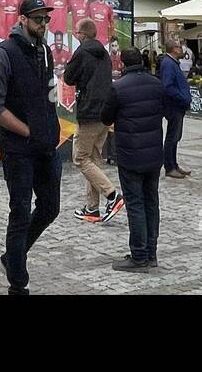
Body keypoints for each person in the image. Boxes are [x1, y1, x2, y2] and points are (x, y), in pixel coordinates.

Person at [0, 0, 62, 295]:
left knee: (50, 207)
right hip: (18, 149)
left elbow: (47, 93)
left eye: (46, 19)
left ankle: (10, 258)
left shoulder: (43, 50)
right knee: (19, 210)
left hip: (46, 145)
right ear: (23, 20)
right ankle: (18, 282)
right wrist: (27, 130)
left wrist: (49, 125)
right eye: (38, 19)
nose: (44, 24)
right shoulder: (4, 54)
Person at [101, 46, 165, 271]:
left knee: (136, 204)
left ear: (122, 63)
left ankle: (139, 255)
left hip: (130, 154)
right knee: (151, 202)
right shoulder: (156, 84)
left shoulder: (118, 88)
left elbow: (105, 117)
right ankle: (151, 252)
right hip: (154, 153)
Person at [63, 17, 123, 223]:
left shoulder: (81, 52)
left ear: (82, 34)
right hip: (105, 112)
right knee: (94, 159)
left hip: (88, 112)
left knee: (80, 158)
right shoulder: (104, 53)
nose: (75, 35)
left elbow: (69, 78)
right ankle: (92, 208)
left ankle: (112, 195)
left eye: (77, 32)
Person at [158, 37, 192, 179]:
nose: (182, 49)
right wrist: (182, 97)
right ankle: (169, 166)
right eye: (179, 47)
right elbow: (168, 86)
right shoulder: (168, 63)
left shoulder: (173, 63)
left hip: (178, 105)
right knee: (172, 136)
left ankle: (174, 164)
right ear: (174, 49)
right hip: (174, 106)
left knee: (176, 136)